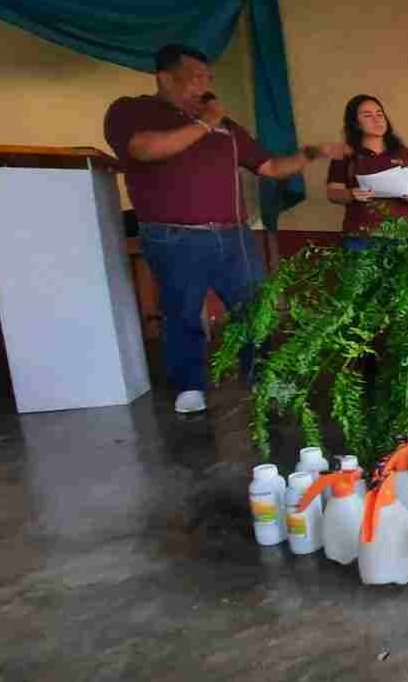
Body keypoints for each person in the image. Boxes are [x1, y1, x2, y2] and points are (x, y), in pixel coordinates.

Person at [104, 43, 348, 415]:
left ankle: (265, 380)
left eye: (209, 78)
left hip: (233, 235)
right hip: (173, 236)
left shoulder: (225, 127)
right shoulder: (133, 111)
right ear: (165, 78)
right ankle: (189, 386)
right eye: (196, 77)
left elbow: (269, 167)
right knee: (183, 312)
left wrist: (312, 153)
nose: (205, 85)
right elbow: (146, 149)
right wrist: (206, 122)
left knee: (254, 310)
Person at [326, 95, 408, 249]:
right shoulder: (345, 153)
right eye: (367, 115)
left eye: (379, 114)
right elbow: (332, 193)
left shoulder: (403, 153)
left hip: (401, 236)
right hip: (360, 236)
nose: (377, 120)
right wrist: (351, 194)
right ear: (355, 123)